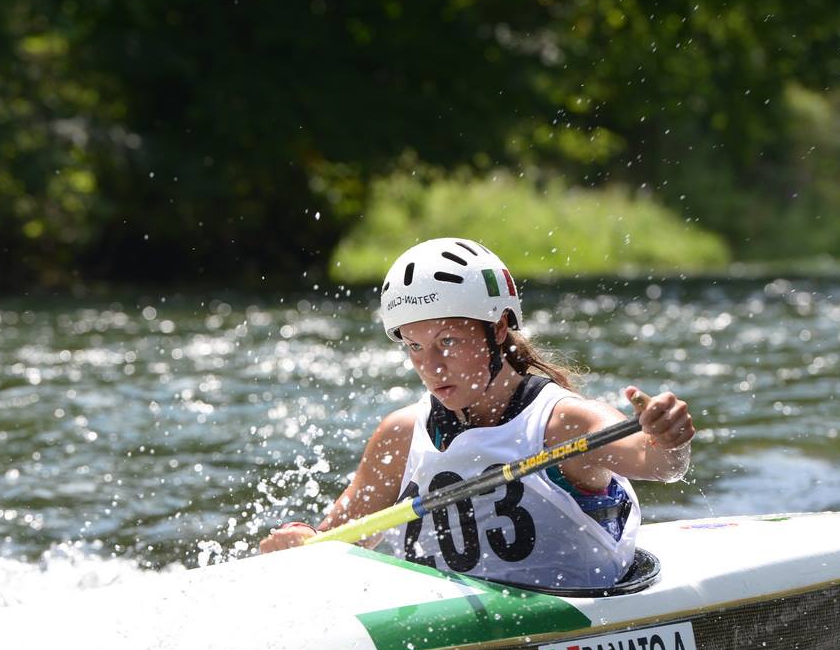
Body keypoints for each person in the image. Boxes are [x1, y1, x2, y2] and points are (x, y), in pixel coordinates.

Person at [259, 238, 694, 592]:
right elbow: (340, 541)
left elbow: (657, 464)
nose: (431, 365)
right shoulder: (401, 433)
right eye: (414, 346)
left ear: (499, 328)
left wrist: (668, 438)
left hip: (575, 614)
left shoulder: (561, 423)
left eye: (447, 341)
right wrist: (304, 544)